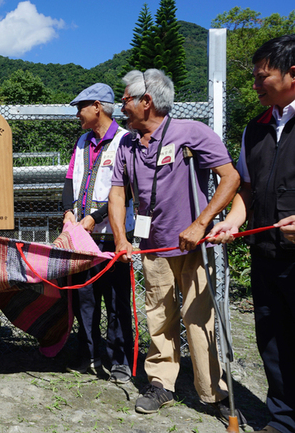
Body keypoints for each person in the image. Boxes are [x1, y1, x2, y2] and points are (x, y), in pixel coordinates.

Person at [108, 68, 244, 423]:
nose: (121, 105)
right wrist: (122, 238)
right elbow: (118, 192)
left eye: (125, 99)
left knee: (199, 320)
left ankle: (212, 391)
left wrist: (201, 224)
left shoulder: (191, 132)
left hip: (196, 249)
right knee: (158, 317)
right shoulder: (126, 143)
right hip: (154, 248)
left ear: (146, 101)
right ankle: (161, 383)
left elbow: (230, 177)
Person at [209, 34, 295, 433]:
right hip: (265, 256)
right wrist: (233, 220)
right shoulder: (255, 129)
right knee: (273, 343)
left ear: (292, 73)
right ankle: (282, 421)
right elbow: (245, 189)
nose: (256, 84)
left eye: (263, 76)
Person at [61, 83, 134, 384]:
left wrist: (95, 217)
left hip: (111, 236)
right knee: (84, 300)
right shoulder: (81, 142)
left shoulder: (125, 141)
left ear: (97, 106)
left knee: (117, 302)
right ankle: (88, 355)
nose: (77, 114)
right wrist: (67, 211)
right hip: (82, 239)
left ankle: (120, 362)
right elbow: (69, 180)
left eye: (80, 107)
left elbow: (127, 189)